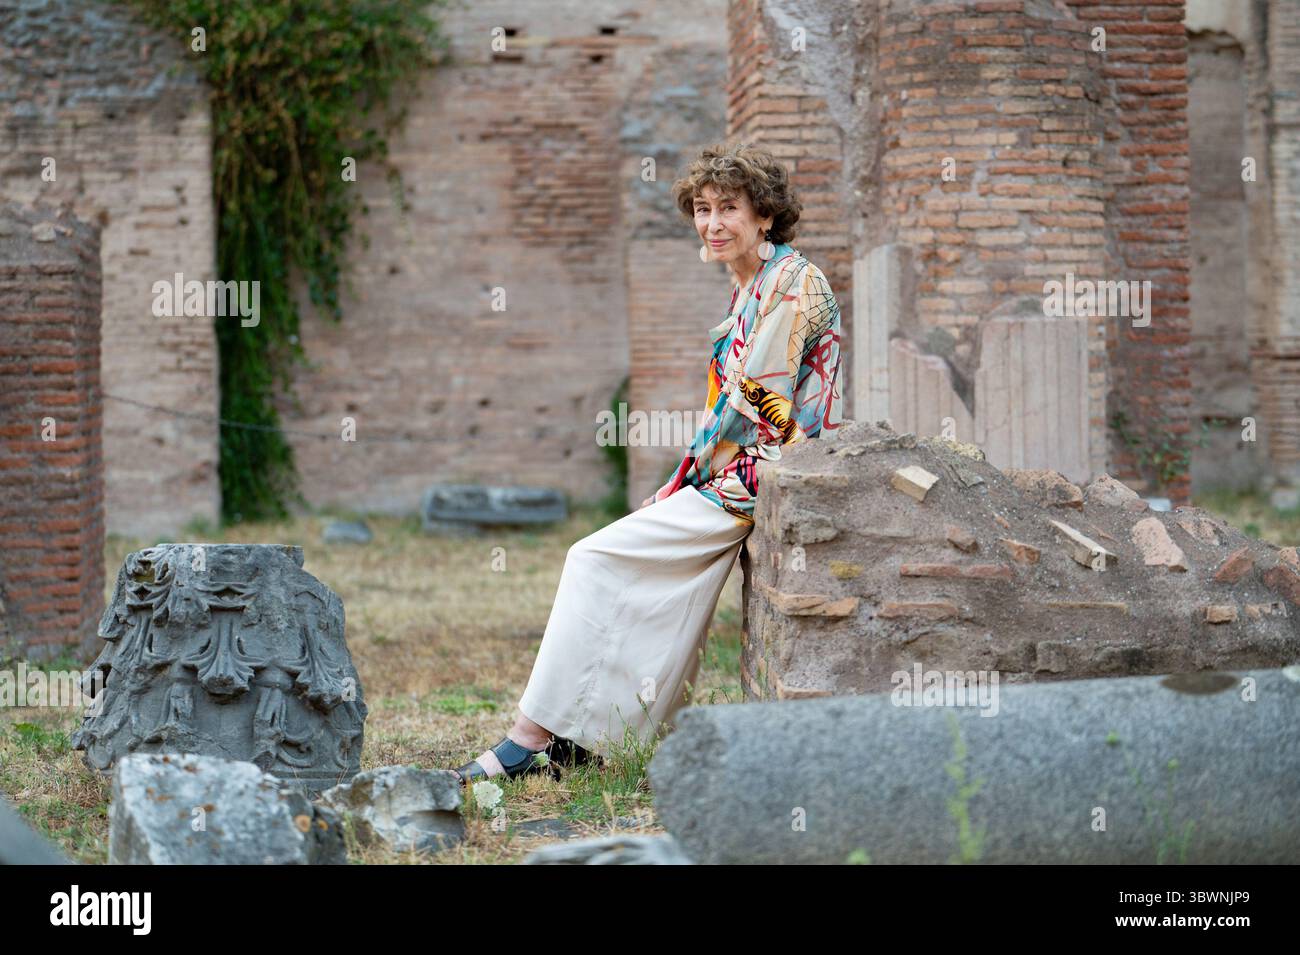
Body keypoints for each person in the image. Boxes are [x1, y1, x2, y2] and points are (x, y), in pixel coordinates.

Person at [451, 141, 843, 785]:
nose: (712, 223)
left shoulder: (791, 283)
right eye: (703, 208)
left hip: (763, 472)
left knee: (593, 557)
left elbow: (760, 404)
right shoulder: (753, 280)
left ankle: (529, 738)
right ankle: (590, 740)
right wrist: (681, 477)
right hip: (742, 467)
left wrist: (683, 479)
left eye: (729, 209)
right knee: (658, 589)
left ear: (765, 216)